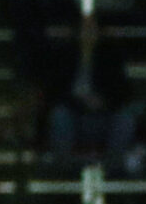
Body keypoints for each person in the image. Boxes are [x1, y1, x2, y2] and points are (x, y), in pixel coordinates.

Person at [43, 12, 137, 174]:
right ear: (77, 31)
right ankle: (64, 173)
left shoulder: (110, 56)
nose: (88, 33)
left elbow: (123, 91)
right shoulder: (65, 55)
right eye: (84, 28)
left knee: (126, 118)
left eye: (92, 28)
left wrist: (102, 101)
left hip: (104, 117)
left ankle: (113, 171)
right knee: (59, 116)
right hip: (74, 117)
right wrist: (80, 101)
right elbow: (55, 91)